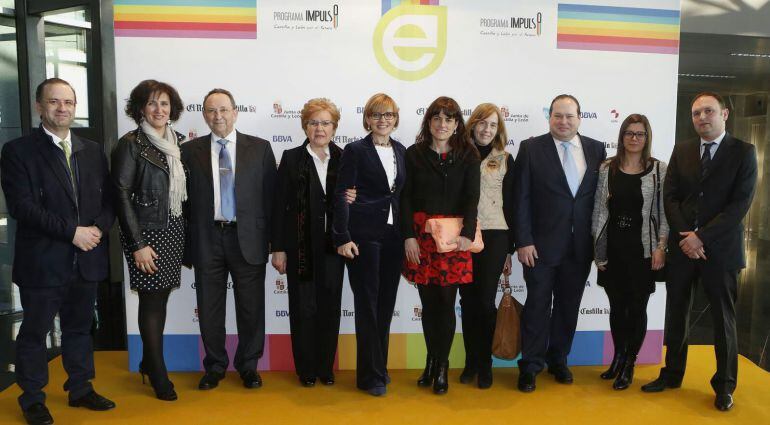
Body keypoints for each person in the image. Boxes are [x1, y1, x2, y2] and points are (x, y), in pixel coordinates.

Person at [1, 78, 116, 425]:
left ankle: (80, 387)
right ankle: (33, 397)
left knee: (79, 328)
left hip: (87, 258)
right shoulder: (18, 151)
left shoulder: (92, 149)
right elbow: (22, 207)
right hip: (43, 261)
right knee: (35, 332)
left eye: (68, 102)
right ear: (39, 106)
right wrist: (73, 233)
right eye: (54, 101)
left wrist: (97, 229)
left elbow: (110, 200)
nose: (62, 108)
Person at [642, 92, 757, 412]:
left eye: (708, 111)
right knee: (676, 314)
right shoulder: (683, 150)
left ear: (725, 113)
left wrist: (701, 238)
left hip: (720, 252)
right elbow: (671, 198)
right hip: (683, 250)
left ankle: (724, 386)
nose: (701, 117)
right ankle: (673, 374)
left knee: (723, 320)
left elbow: (739, 205)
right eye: (695, 113)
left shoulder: (744, 152)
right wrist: (687, 238)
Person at [181, 88, 277, 391]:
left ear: (236, 112)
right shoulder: (189, 150)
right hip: (207, 237)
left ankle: (249, 366)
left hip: (248, 238)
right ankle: (215, 366)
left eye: (223, 109)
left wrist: (276, 244)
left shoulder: (259, 148)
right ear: (204, 115)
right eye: (211, 110)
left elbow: (271, 199)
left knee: (251, 308)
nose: (217, 116)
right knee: (209, 306)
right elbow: (182, 202)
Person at [512, 94, 606, 392]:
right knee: (537, 306)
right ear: (549, 117)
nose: (563, 122)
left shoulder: (596, 149)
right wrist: (523, 240)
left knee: (568, 306)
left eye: (569, 116)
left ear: (579, 117)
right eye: (557, 116)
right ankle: (530, 365)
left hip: (580, 248)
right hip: (538, 247)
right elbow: (520, 198)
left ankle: (558, 360)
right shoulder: (530, 148)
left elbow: (598, 200)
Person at [112, 79, 187, 401]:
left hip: (173, 229)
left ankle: (147, 361)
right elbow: (120, 193)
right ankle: (157, 373)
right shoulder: (131, 143)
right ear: (141, 107)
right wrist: (138, 244)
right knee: (152, 301)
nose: (159, 110)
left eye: (165, 104)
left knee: (161, 299)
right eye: (153, 103)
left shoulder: (179, 142)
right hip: (146, 235)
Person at [401, 96, 481, 395]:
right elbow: (405, 197)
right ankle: (431, 361)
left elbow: (472, 198)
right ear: (429, 122)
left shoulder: (468, 154)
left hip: (453, 239)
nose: (442, 124)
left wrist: (468, 235)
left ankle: (443, 364)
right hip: (421, 238)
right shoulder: (414, 154)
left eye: (449, 119)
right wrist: (408, 235)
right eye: (437, 118)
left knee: (446, 305)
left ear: (457, 124)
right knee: (429, 304)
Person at [332, 93, 406, 396]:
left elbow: (399, 194)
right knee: (367, 306)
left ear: (396, 118)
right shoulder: (355, 150)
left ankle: (379, 367)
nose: (382, 120)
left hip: (393, 236)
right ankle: (369, 376)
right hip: (363, 236)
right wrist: (343, 236)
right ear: (367, 119)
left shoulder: (401, 151)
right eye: (376, 115)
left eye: (388, 114)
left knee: (385, 306)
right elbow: (341, 194)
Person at [271, 98, 345, 388]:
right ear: (305, 125)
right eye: (314, 122)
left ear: (334, 127)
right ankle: (306, 369)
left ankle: (326, 367)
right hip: (299, 247)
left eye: (325, 122)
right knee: (303, 309)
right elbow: (278, 206)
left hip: (334, 249)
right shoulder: (291, 158)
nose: (319, 128)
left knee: (329, 307)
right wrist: (277, 248)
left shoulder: (344, 158)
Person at [592, 114, 668, 390]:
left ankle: (630, 363)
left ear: (647, 138)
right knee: (616, 308)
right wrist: (598, 251)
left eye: (640, 134)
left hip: (643, 251)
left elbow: (663, 212)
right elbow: (599, 211)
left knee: (636, 308)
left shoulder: (659, 169)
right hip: (614, 247)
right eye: (629, 133)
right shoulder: (607, 168)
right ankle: (618, 356)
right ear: (621, 136)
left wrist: (661, 247)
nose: (634, 138)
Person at [458, 103, 515, 389]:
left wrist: (510, 249)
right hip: (464, 234)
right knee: (467, 302)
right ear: (473, 124)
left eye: (493, 125)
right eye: (482, 123)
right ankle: (471, 362)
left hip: (495, 235)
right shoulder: (458, 154)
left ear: (498, 130)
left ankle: (485, 364)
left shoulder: (505, 158)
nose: (486, 129)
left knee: (484, 301)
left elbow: (513, 203)